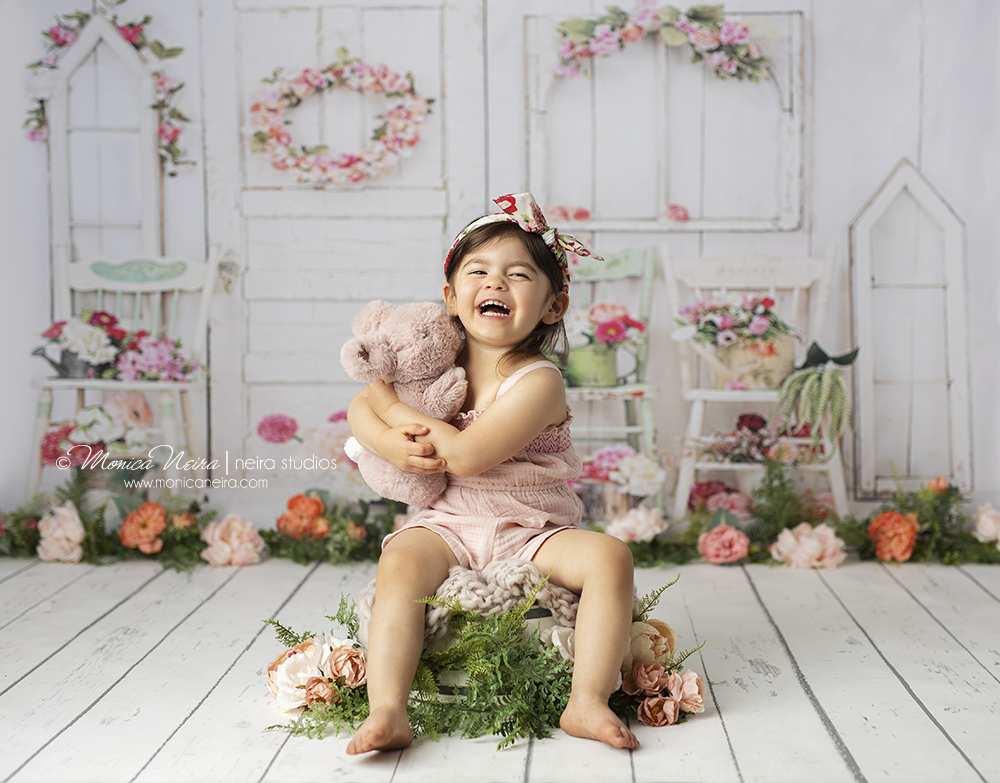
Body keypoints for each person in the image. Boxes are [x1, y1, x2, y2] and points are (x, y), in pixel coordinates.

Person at [345, 193, 638, 754]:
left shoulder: (538, 381)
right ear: (452, 298)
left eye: (519, 275)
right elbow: (363, 403)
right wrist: (388, 442)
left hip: (532, 529)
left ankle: (587, 701)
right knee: (400, 560)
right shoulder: (435, 370)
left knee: (609, 557)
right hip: (449, 522)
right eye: (478, 271)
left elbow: (466, 455)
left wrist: (395, 410)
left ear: (553, 306)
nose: (496, 283)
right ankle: (387, 706)